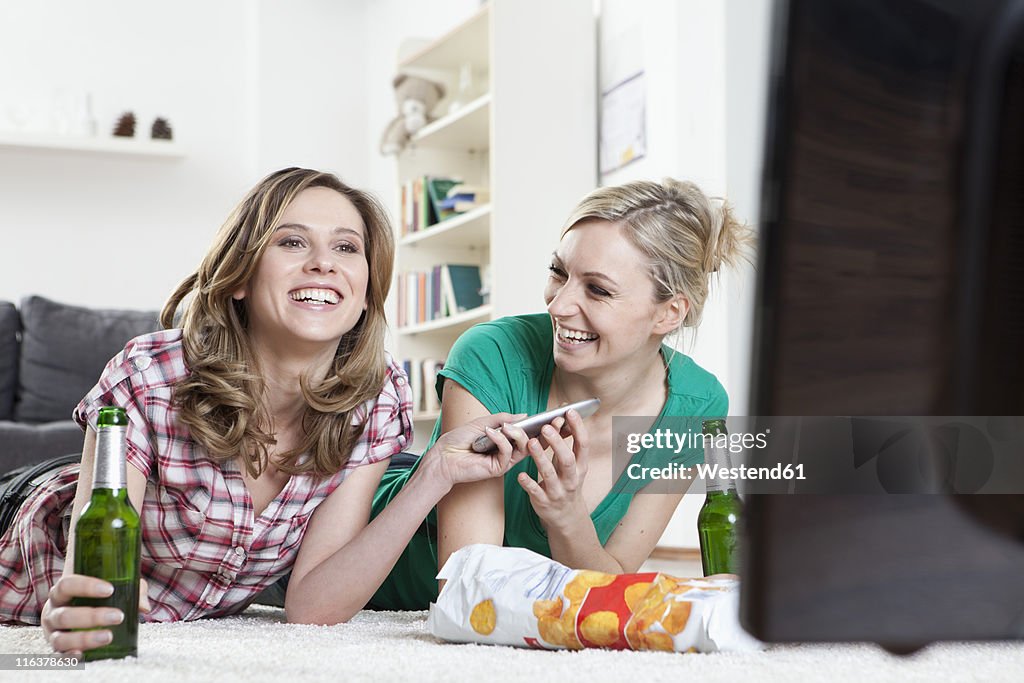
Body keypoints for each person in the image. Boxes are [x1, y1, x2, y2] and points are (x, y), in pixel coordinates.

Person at [0, 167, 550, 655]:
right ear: (239, 276)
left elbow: (313, 607)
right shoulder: (153, 372)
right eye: (291, 242)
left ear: (364, 293)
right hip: (24, 533)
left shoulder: (376, 397)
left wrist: (433, 476)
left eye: (346, 248)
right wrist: (79, 595)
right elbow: (99, 536)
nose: (322, 264)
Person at [369, 178, 752, 610]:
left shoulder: (697, 406)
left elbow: (609, 587)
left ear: (669, 312)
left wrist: (568, 519)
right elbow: (468, 589)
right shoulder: (492, 352)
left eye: (598, 289)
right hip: (347, 541)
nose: (558, 304)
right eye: (559, 272)